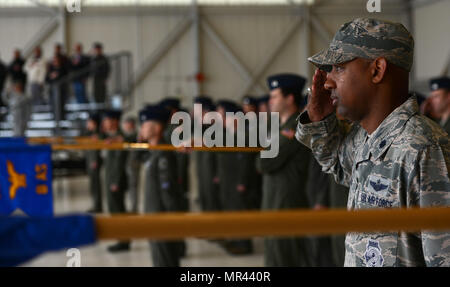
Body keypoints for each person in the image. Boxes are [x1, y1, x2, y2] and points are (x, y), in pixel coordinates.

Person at [295, 18, 450, 267]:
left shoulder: (424, 149)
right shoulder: (366, 137)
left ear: (377, 70)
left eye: (339, 68)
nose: (327, 81)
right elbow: (336, 162)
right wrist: (320, 119)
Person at [257, 74, 311, 267]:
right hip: (274, 204)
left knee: (284, 259)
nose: (270, 101)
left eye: (275, 96)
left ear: (289, 99)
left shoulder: (295, 128)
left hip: (286, 205)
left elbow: (264, 164)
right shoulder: (279, 128)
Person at [139, 105, 184, 267]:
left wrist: (171, 221)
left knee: (165, 260)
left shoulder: (163, 155)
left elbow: (168, 191)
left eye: (145, 125)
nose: (142, 129)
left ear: (157, 128)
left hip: (161, 217)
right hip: (154, 215)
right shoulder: (154, 153)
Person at [215, 99, 253, 255]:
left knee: (240, 212)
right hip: (228, 180)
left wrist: (243, 181)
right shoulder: (227, 134)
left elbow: (246, 161)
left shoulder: (243, 135)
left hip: (237, 181)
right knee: (230, 210)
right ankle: (234, 239)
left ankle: (244, 243)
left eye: (223, 116)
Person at [101, 110, 130, 252]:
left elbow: (119, 163)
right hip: (110, 179)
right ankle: (121, 239)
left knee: (118, 211)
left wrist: (115, 182)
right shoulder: (111, 137)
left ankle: (123, 241)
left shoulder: (119, 138)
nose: (105, 123)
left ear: (114, 121)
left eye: (107, 120)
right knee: (114, 210)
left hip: (115, 181)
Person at [192, 96, 220, 212]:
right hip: (203, 171)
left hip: (213, 173)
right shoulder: (201, 128)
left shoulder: (216, 128)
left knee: (212, 202)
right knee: (204, 199)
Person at [84, 113, 103, 213]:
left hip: (94, 162)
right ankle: (95, 204)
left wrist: (94, 160)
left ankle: (97, 205)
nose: (87, 124)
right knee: (93, 185)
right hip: (90, 162)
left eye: (89, 122)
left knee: (96, 185)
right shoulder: (90, 133)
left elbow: (95, 149)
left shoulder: (96, 134)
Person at [121, 116, 140, 213]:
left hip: (133, 164)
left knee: (133, 187)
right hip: (127, 164)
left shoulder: (136, 135)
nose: (124, 126)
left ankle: (134, 208)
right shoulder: (126, 136)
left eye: (126, 123)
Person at [46, 55, 69, 122]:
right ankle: (55, 120)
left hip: (61, 91)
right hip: (53, 91)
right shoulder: (51, 69)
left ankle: (61, 120)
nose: (55, 62)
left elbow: (65, 78)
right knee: (53, 106)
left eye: (57, 60)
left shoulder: (63, 69)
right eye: (54, 61)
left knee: (61, 107)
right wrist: (51, 76)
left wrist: (57, 75)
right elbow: (46, 79)